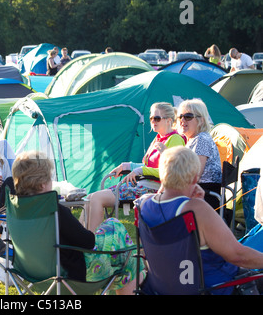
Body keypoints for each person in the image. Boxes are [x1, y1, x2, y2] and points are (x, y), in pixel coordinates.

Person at [11, 150, 143, 294]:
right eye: (50, 178)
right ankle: (144, 279)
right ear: (42, 184)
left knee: (123, 257)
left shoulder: (17, 210)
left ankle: (139, 275)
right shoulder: (54, 211)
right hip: (72, 277)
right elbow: (87, 242)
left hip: (35, 275)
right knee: (116, 233)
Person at [138, 146, 263, 295]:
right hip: (216, 287)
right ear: (195, 177)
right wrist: (196, 202)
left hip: (167, 288)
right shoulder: (196, 210)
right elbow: (237, 255)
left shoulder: (143, 205)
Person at [85, 102, 186, 232]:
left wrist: (140, 170)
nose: (153, 121)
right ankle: (83, 242)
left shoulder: (175, 139)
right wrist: (127, 165)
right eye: (151, 118)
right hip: (142, 185)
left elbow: (172, 172)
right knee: (89, 197)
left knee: (97, 199)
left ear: (169, 121)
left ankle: (94, 245)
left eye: (157, 118)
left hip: (155, 189)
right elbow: (148, 165)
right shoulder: (158, 138)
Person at [177, 99, 222, 212]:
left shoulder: (201, 139)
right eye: (180, 116)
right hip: (198, 192)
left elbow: (195, 175)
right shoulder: (193, 139)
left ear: (201, 120)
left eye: (188, 116)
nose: (182, 120)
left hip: (205, 196)